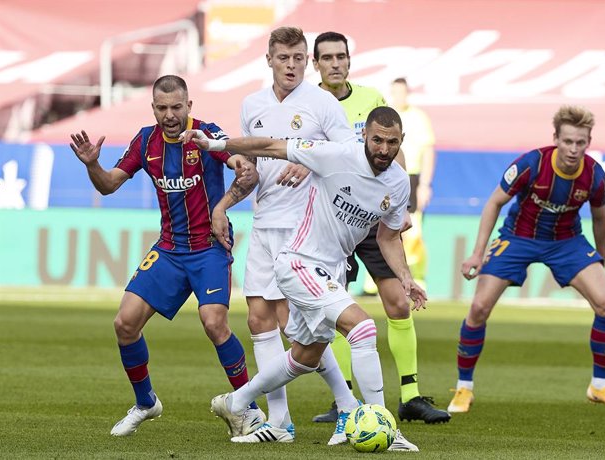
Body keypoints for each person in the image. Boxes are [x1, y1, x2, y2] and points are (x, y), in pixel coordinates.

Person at [184, 106, 425, 451]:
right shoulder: (335, 155)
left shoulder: (398, 183)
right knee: (363, 328)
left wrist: (406, 276)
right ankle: (381, 421)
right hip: (299, 262)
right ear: (364, 137)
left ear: (402, 141)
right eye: (377, 140)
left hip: (332, 270)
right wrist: (214, 144)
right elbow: (270, 146)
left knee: (306, 357)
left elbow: (388, 237)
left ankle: (236, 401)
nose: (383, 149)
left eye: (391, 142)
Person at [69, 75, 265, 437]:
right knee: (124, 324)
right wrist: (92, 165)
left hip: (209, 247)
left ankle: (247, 407)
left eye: (177, 107)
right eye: (163, 108)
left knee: (214, 323)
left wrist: (232, 184)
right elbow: (109, 184)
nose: (170, 115)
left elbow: (241, 165)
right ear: (154, 108)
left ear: (189, 106)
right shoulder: (146, 141)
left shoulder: (206, 134)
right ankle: (146, 403)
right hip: (170, 249)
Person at [215, 26, 361, 445]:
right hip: (264, 223)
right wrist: (239, 170)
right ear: (270, 60)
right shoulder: (252, 105)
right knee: (259, 319)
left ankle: (347, 408)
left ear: (306, 61)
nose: (292, 65)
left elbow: (350, 157)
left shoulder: (323, 103)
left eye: (299, 58)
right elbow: (250, 163)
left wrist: (312, 162)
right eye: (284, 58)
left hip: (306, 227)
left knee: (303, 327)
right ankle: (280, 423)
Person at [448, 105, 605, 416]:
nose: (574, 150)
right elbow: (494, 202)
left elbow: (600, 217)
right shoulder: (531, 164)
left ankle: (600, 385)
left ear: (588, 142)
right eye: (568, 141)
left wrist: (601, 254)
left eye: (581, 143)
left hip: (566, 241)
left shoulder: (594, 175)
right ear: (556, 139)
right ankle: (464, 386)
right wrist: (478, 252)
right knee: (479, 308)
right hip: (517, 238)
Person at [311, 31, 450, 425]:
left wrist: (402, 202)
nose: (335, 63)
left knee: (398, 301)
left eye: (341, 56)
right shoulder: (309, 104)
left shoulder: (372, 98)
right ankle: (346, 399)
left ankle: (409, 395)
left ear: (349, 61)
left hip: (372, 218)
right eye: (327, 57)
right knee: (336, 311)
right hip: (331, 220)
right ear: (316, 63)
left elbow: (396, 148)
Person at [389, 77, 436, 289]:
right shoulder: (385, 114)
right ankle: (377, 283)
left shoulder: (418, 118)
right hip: (388, 176)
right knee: (383, 229)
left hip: (412, 178)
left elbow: (428, 151)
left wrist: (425, 184)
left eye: (402, 92)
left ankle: (417, 277)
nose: (399, 96)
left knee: (413, 231)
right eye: (395, 92)